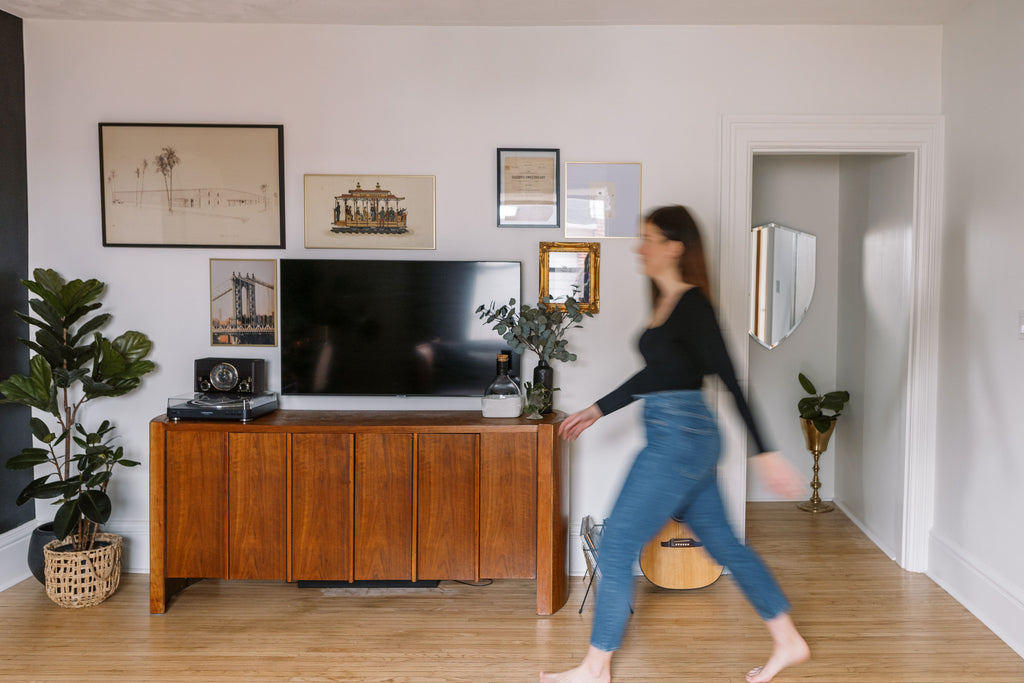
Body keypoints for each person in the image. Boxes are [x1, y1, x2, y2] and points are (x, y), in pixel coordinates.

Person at [542, 205, 810, 683]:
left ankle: (594, 668)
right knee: (725, 545)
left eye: (648, 237)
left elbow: (728, 375)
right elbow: (658, 374)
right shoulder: (668, 306)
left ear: (674, 246)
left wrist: (765, 452)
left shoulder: (693, 305)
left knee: (619, 542)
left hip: (680, 438)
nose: (638, 248)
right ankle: (788, 640)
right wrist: (597, 409)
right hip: (683, 435)